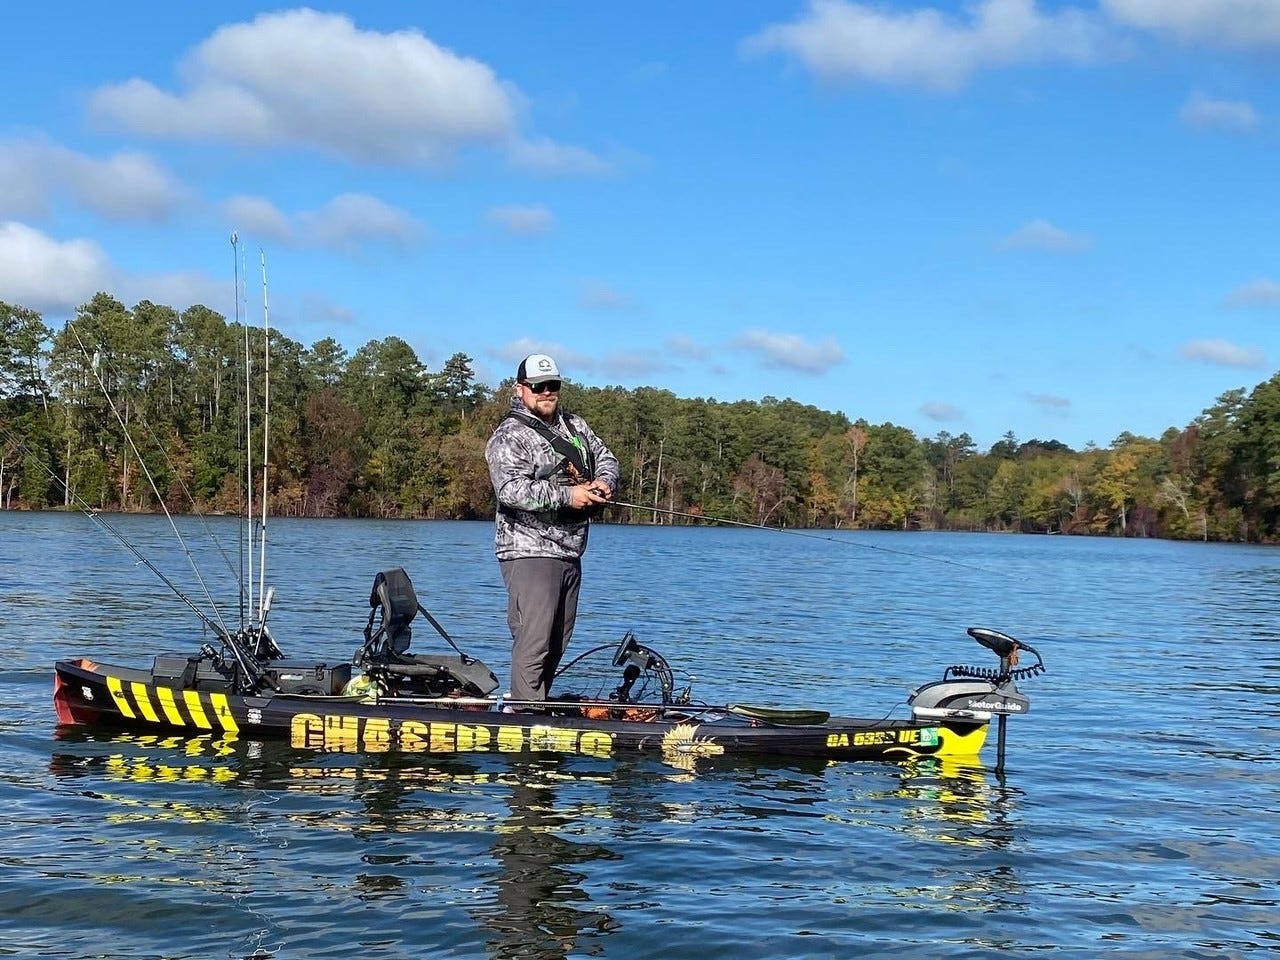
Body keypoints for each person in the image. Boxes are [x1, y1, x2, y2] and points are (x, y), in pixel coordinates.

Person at [485, 353, 620, 706]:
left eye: (553, 385)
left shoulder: (574, 425)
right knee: (535, 640)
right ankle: (525, 713)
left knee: (558, 639)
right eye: (538, 386)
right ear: (521, 389)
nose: (546, 392)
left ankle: (538, 704)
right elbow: (510, 490)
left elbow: (607, 458)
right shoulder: (510, 435)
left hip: (570, 550)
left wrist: (604, 483)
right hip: (529, 550)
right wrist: (569, 496)